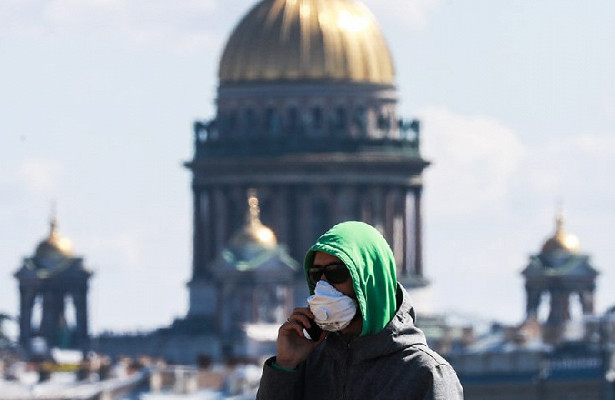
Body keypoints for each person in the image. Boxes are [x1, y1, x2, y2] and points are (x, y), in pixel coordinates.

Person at [257, 221, 463, 400]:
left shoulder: (425, 373)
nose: (323, 286)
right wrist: (285, 366)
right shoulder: (309, 366)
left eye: (336, 273)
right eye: (315, 275)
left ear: (369, 281)